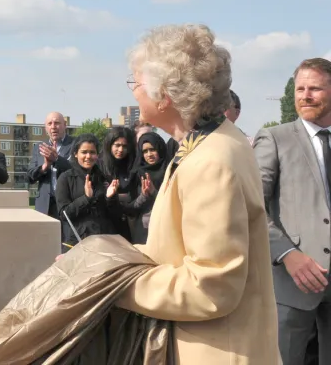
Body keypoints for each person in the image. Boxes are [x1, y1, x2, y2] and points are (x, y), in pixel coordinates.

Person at [118, 24, 279, 363]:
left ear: (165, 94)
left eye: (135, 83)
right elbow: (175, 248)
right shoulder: (209, 142)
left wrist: (114, 286)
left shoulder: (211, 160)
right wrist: (110, 260)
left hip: (214, 352)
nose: (132, 92)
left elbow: (211, 287)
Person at [253, 57, 331, 363]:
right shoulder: (275, 138)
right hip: (292, 280)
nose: (305, 95)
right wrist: (287, 254)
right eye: (300, 88)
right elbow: (252, 205)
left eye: (315, 88)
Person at [54, 134, 120, 248]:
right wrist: (86, 198)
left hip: (103, 241)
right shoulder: (65, 178)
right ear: (76, 154)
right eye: (84, 152)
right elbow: (64, 214)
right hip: (77, 242)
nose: (88, 156)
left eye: (92, 152)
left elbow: (115, 215)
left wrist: (111, 198)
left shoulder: (104, 178)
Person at [27, 112, 75, 217]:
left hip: (68, 202)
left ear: (65, 124)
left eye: (57, 123)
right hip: (44, 205)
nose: (53, 127)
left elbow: (76, 170)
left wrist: (57, 159)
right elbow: (30, 177)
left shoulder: (75, 144)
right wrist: (45, 166)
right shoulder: (39, 147)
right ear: (45, 128)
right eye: (49, 123)